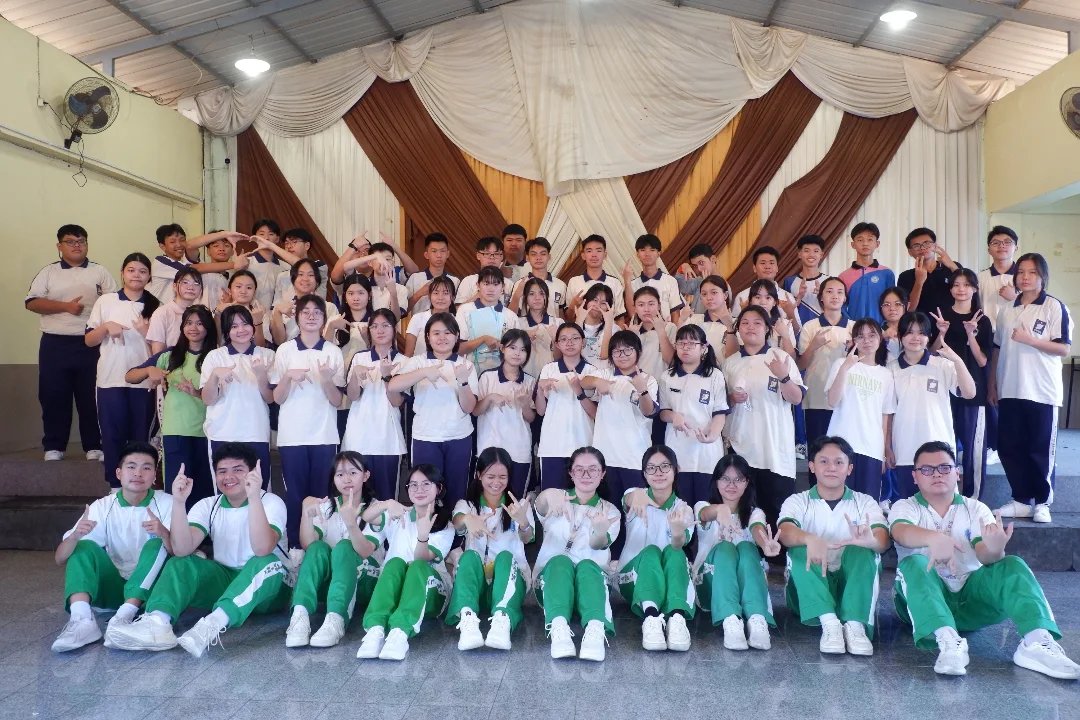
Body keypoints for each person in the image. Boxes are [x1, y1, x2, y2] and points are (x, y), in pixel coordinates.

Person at [889, 441, 1079, 679]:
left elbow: (985, 555)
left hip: (971, 601)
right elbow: (900, 532)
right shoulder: (905, 507)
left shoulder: (976, 509)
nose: (936, 474)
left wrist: (995, 550)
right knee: (914, 563)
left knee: (1012, 564)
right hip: (920, 605)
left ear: (957, 473)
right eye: (926, 469)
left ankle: (1037, 642)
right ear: (915, 477)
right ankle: (949, 642)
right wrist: (933, 538)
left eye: (944, 468)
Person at [107, 443, 290, 658]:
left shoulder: (271, 502)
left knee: (266, 560)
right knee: (180, 562)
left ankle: (212, 625)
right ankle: (158, 623)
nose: (228, 477)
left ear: (252, 473)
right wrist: (179, 502)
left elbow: (262, 548)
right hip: (225, 579)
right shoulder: (208, 505)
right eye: (222, 471)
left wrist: (253, 497)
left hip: (270, 590)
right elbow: (181, 549)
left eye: (238, 470)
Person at [50, 441, 173, 652]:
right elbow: (60, 558)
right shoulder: (103, 506)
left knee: (157, 544)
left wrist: (164, 533)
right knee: (82, 546)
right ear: (118, 473)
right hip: (115, 589)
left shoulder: (168, 502)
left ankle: (123, 617)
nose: (138, 473)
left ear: (155, 475)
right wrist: (75, 536)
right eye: (131, 466)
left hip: (152, 592)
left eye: (146, 468)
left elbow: (180, 553)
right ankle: (81, 620)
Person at [779, 436, 890, 655]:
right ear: (811, 466)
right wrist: (810, 539)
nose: (831, 468)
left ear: (849, 468)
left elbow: (882, 538)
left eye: (839, 462)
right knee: (800, 547)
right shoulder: (798, 501)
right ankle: (830, 624)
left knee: (863, 550)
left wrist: (871, 541)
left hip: (853, 587)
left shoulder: (865, 502)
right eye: (824, 461)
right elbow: (785, 531)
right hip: (808, 595)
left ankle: (855, 625)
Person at [990, 253, 1073, 524]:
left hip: (1042, 391)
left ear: (1042, 276)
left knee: (1040, 448)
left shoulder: (1054, 307)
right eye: (1021, 272)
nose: (1025, 277)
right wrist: (992, 383)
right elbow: (997, 348)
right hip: (1009, 388)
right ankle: (1021, 499)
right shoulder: (1007, 309)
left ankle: (1042, 502)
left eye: (1032, 272)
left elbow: (1063, 348)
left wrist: (1031, 340)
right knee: (1010, 447)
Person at [26, 223, 117, 462]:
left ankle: (94, 445)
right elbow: (32, 302)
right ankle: (54, 446)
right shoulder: (49, 272)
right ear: (59, 246)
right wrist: (65, 307)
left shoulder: (100, 271)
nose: (77, 246)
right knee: (53, 395)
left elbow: (114, 303)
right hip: (55, 344)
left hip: (91, 343)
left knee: (91, 396)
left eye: (81, 241)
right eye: (70, 242)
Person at [355, 464, 456, 661]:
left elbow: (421, 559)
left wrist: (423, 536)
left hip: (432, 592)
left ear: (439, 488)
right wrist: (386, 504)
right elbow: (366, 517)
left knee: (417, 566)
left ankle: (400, 632)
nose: (419, 490)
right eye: (413, 485)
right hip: (396, 590)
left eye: (426, 484)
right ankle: (375, 630)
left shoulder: (445, 523)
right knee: (394, 563)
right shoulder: (398, 514)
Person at [286, 451, 384, 648]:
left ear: (366, 475)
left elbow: (365, 551)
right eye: (340, 474)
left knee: (345, 547)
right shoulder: (326, 506)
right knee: (317, 548)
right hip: (330, 583)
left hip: (364, 581)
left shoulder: (377, 508)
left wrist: (351, 523)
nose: (346, 479)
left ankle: (336, 619)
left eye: (353, 473)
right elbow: (308, 545)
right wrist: (306, 514)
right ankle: (300, 615)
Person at [533, 446, 621, 661]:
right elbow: (541, 504)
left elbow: (598, 545)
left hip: (593, 589)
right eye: (579, 469)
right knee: (559, 561)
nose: (586, 474)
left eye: (593, 469)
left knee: (588, 566)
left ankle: (595, 630)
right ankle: (559, 628)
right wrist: (549, 494)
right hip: (551, 585)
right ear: (571, 473)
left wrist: (599, 531)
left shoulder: (609, 511)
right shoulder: (558, 499)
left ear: (603, 473)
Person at [272, 294, 346, 548]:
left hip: (324, 436)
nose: (311, 316)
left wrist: (326, 379)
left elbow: (337, 400)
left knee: (323, 495)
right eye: (306, 312)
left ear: (324, 318)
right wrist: (287, 377)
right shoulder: (285, 350)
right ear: (297, 317)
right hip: (292, 437)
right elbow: (277, 398)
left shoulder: (333, 352)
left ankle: (320, 546)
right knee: (295, 495)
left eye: (317, 312)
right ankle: (295, 546)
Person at [126, 305, 217, 505]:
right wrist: (149, 370)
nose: (194, 328)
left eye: (200, 323)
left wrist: (196, 392)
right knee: (177, 492)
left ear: (208, 327)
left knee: (206, 495)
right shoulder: (169, 356)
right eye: (189, 323)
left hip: (209, 434)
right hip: (176, 432)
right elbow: (130, 376)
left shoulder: (216, 357)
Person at [446, 447, 535, 651]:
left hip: (509, 583)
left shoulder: (519, 505)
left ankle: (502, 621)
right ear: (479, 475)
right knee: (468, 556)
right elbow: (457, 521)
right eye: (490, 476)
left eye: (502, 477)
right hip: (476, 588)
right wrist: (468, 519)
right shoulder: (467, 505)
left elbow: (528, 538)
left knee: (505, 557)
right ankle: (467, 619)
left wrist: (523, 522)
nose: (496, 482)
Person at [722, 306, 804, 527]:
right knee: (743, 513)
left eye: (757, 322)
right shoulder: (730, 363)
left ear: (767, 328)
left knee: (776, 513)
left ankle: (776, 549)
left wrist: (784, 377)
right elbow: (720, 405)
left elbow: (796, 398)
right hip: (741, 448)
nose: (750, 327)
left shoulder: (780, 357)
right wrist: (731, 398)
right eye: (745, 322)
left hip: (774, 450)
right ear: (738, 329)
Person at [85, 252, 161, 485]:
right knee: (112, 436)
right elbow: (89, 341)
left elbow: (162, 350)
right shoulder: (106, 301)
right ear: (122, 273)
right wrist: (106, 326)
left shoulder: (157, 306)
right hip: (110, 379)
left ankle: (140, 485)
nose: (136, 275)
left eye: (142, 271)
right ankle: (115, 486)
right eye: (131, 270)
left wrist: (146, 333)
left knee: (141, 438)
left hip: (144, 381)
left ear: (149, 277)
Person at [388, 313, 478, 507]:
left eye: (448, 333)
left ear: (456, 336)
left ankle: (455, 526)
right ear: (428, 337)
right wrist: (423, 372)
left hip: (459, 437)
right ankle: (427, 527)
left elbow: (469, 408)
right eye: (436, 333)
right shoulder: (418, 361)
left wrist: (463, 381)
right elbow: (393, 386)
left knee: (456, 495)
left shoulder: (466, 365)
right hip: (425, 437)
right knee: (425, 494)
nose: (442, 337)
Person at [693, 453, 780, 650]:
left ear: (747, 482)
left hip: (746, 589)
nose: (731, 485)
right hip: (710, 586)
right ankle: (730, 619)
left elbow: (757, 528)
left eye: (739, 479)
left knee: (747, 547)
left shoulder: (755, 512)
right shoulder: (703, 506)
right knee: (726, 547)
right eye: (725, 478)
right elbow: (705, 515)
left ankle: (757, 618)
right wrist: (720, 510)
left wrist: (765, 544)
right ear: (716, 481)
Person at [889, 312, 976, 500]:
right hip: (905, 449)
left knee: (944, 507)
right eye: (909, 332)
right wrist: (887, 447)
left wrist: (958, 361)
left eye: (921, 333)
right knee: (908, 506)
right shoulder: (891, 369)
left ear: (929, 336)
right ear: (900, 336)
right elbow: (887, 413)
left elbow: (970, 393)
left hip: (940, 450)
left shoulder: (943, 365)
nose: (915, 338)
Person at [616, 446, 696, 652]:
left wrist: (677, 532)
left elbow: (679, 544)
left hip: (669, 580)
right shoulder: (635, 495)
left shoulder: (684, 509)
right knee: (651, 551)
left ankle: (677, 618)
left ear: (676, 470)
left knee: (676, 553)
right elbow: (629, 498)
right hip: (632, 578)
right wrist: (638, 494)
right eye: (651, 468)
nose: (658, 473)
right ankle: (651, 618)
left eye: (665, 466)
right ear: (644, 474)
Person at [930, 268, 993, 498]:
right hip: (943, 390)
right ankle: (946, 497)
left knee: (973, 448)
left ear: (974, 289)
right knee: (945, 444)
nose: (961, 289)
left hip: (974, 391)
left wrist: (971, 335)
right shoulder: (942, 316)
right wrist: (941, 333)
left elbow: (983, 360)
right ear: (951, 289)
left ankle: (973, 499)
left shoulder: (982, 319)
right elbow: (932, 353)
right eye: (956, 284)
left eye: (966, 285)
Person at [200, 305, 275, 486]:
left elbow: (270, 398)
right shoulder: (215, 357)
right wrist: (215, 375)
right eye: (234, 326)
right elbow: (207, 399)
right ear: (227, 331)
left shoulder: (267, 355)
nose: (241, 330)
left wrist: (261, 375)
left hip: (256, 432)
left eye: (245, 324)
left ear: (253, 326)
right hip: (221, 433)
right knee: (226, 487)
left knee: (259, 488)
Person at [825, 319, 896, 505]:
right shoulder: (841, 364)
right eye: (860, 336)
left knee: (866, 506)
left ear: (880, 339)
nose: (866, 341)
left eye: (872, 335)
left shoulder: (886, 375)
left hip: (871, 448)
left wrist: (883, 452)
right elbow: (832, 401)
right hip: (840, 445)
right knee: (836, 503)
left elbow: (885, 416)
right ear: (854, 340)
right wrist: (845, 367)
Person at [582, 330, 658, 504]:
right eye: (616, 351)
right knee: (607, 510)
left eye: (628, 350)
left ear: (638, 352)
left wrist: (642, 390)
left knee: (635, 512)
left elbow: (649, 411)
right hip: (605, 458)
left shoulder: (648, 379)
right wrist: (596, 382)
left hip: (635, 458)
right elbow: (583, 381)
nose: (622, 355)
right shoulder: (605, 374)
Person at [658, 324, 729, 507]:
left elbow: (720, 412)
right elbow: (663, 412)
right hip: (677, 451)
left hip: (707, 454)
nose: (685, 348)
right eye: (681, 343)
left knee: (706, 509)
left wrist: (711, 436)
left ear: (703, 348)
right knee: (680, 509)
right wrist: (673, 416)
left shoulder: (715, 375)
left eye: (691, 343)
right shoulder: (667, 376)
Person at [342, 309, 406, 501]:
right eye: (375, 326)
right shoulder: (359, 358)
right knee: (356, 499)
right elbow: (353, 396)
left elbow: (397, 402)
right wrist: (355, 376)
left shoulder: (403, 361)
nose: (380, 330)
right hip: (358, 438)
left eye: (385, 325)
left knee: (387, 499)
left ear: (394, 329)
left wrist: (387, 377)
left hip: (388, 441)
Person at [536, 323, 601, 490]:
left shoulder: (592, 372)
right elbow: (541, 411)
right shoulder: (549, 369)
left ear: (583, 342)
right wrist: (540, 389)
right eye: (564, 339)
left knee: (582, 497)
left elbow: (596, 413)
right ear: (557, 344)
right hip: (552, 447)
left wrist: (579, 392)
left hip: (583, 445)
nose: (569, 343)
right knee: (552, 499)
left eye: (575, 338)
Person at [474, 330, 536, 497]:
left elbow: (531, 418)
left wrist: (524, 404)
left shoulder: (530, 381)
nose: (517, 353)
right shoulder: (487, 377)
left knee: (515, 499)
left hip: (519, 450)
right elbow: (475, 411)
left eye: (523, 350)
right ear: (502, 348)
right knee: (487, 498)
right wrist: (490, 398)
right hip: (490, 448)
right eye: (512, 348)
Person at [977, 226, 1018, 465]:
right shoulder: (981, 277)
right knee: (989, 391)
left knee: (1013, 392)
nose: (1001, 246)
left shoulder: (1024, 277)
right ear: (989, 249)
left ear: (1015, 247)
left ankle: (1014, 444)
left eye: (1007, 242)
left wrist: (1015, 297)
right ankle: (994, 444)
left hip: (1017, 342)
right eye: (996, 242)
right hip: (988, 340)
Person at [796, 277, 853, 443]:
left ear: (845, 298)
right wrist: (813, 346)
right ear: (821, 297)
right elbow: (800, 365)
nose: (835, 296)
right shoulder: (810, 326)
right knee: (817, 448)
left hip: (846, 399)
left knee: (844, 451)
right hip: (816, 397)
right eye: (829, 291)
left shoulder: (854, 327)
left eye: (840, 292)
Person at [456, 266, 520, 373]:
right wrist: (483, 339)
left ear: (503, 287)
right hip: (469, 372)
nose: (491, 289)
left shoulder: (511, 316)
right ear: (478, 285)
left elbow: (517, 351)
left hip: (500, 374)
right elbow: (458, 348)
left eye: (496, 284)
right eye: (486, 284)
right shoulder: (465, 310)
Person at [270, 259, 338, 346]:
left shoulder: (329, 307)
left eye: (310, 275)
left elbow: (332, 341)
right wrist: (277, 313)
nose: (305, 279)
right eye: (300, 274)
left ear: (317, 282)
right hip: (290, 353)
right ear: (293, 281)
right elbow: (279, 342)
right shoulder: (284, 308)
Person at [838, 222, 895, 324]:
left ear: (877, 244)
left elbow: (892, 303)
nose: (865, 243)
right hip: (853, 329)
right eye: (860, 240)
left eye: (870, 239)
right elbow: (841, 306)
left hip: (882, 329)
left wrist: (887, 326)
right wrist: (850, 325)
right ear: (853, 244)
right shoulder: (843, 276)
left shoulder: (887, 274)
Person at [897, 227, 959, 318]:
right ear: (910, 252)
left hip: (952, 322)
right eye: (916, 246)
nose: (922, 248)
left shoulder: (953, 268)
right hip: (921, 325)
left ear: (935, 246)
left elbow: (969, 292)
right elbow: (909, 309)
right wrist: (919, 282)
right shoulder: (905, 276)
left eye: (926, 243)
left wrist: (953, 266)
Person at [623, 234, 686, 324]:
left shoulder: (670, 281)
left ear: (658, 253)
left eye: (652, 250)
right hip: (641, 330)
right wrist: (627, 281)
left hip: (666, 329)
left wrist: (674, 331)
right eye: (643, 250)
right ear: (637, 254)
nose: (647, 254)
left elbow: (675, 313)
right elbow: (632, 314)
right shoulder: (632, 284)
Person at [726, 279, 796, 358]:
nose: (763, 302)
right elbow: (732, 357)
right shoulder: (742, 324)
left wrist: (785, 336)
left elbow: (792, 359)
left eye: (768, 298)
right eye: (757, 297)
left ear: (774, 302)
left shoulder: (785, 324)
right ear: (750, 301)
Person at [730, 246, 798, 322]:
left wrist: (790, 314)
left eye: (771, 263)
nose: (767, 267)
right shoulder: (742, 297)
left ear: (777, 268)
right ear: (754, 268)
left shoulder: (788, 297)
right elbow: (735, 326)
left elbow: (797, 329)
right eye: (763, 263)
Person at [565, 234, 626, 319]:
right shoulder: (574, 281)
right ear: (583, 255)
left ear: (605, 254)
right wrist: (573, 305)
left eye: (599, 250)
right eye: (589, 251)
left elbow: (620, 318)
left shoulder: (615, 283)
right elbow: (568, 318)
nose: (594, 255)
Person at [146, 267, 204, 355]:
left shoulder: (203, 314)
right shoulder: (162, 313)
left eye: (196, 283)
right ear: (174, 286)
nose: (191, 287)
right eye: (185, 282)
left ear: (201, 290)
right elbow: (158, 353)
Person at [509, 237, 567, 318]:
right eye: (534, 254)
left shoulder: (560, 285)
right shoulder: (520, 284)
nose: (538, 258)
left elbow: (560, 314)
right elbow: (510, 315)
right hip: (527, 326)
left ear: (549, 257)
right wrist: (517, 295)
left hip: (553, 326)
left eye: (543, 254)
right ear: (527, 258)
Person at [271, 227, 329, 307]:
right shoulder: (282, 275)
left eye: (294, 242)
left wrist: (271, 246)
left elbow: (304, 265)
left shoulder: (319, 267)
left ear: (307, 246)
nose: (289, 246)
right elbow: (276, 306)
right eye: (286, 243)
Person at [519, 276, 562, 380]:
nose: (537, 298)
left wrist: (554, 339)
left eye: (541, 293)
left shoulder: (558, 323)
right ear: (525, 298)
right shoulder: (518, 323)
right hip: (524, 379)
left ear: (547, 297)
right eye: (531, 294)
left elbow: (561, 358)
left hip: (552, 379)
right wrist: (524, 336)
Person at [404, 232, 459, 314]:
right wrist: (419, 293)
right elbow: (402, 311)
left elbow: (458, 310)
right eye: (434, 251)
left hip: (446, 321)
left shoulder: (455, 281)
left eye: (442, 251)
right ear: (426, 255)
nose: (439, 255)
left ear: (448, 254)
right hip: (420, 322)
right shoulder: (415, 278)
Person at [404, 275, 456, 357]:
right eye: (436, 293)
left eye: (445, 293)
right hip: (420, 364)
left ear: (453, 297)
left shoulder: (458, 320)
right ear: (429, 296)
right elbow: (408, 355)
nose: (440, 298)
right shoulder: (417, 318)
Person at [682, 274, 735, 355]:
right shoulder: (693, 320)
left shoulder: (737, 323)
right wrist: (681, 321)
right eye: (704, 294)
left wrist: (730, 327)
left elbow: (735, 356)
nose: (709, 298)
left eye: (714, 292)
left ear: (725, 295)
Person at [214, 269, 267, 347]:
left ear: (254, 292)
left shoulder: (261, 313)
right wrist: (218, 314)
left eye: (249, 288)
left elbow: (261, 347)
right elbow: (217, 342)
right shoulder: (220, 312)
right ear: (229, 290)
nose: (243, 291)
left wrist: (258, 322)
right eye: (238, 286)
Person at [782, 234, 826, 326]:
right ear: (799, 254)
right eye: (806, 250)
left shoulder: (829, 281)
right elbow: (784, 312)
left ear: (821, 254)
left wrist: (822, 297)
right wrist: (798, 298)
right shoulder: (789, 282)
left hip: (824, 329)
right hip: (797, 331)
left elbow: (838, 311)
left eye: (816, 251)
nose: (811, 255)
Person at [455, 237, 513, 306]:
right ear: (478, 255)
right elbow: (458, 309)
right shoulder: (468, 281)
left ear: (502, 256)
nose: (492, 257)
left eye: (496, 254)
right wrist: (480, 294)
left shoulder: (509, 284)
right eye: (487, 253)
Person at [247, 219, 288, 312]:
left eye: (271, 234)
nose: (266, 238)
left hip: (277, 317)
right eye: (261, 234)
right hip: (251, 315)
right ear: (254, 238)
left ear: (277, 239)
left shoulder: (286, 267)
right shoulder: (247, 263)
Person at [575, 283, 616, 366]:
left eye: (603, 303)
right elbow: (574, 353)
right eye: (594, 300)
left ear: (609, 307)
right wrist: (578, 321)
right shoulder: (573, 327)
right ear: (586, 301)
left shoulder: (614, 329)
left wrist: (609, 324)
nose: (597, 305)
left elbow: (604, 356)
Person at [676, 244, 718, 315]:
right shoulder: (699, 281)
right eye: (695, 266)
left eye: (701, 263)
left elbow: (712, 312)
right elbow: (678, 287)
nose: (699, 269)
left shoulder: (724, 286)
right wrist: (683, 267)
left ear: (713, 259)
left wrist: (707, 286)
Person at [878, 286, 908, 363]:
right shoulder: (876, 331)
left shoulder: (912, 329)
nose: (892, 308)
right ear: (881, 308)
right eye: (886, 304)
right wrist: (881, 338)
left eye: (897, 304)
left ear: (907, 306)